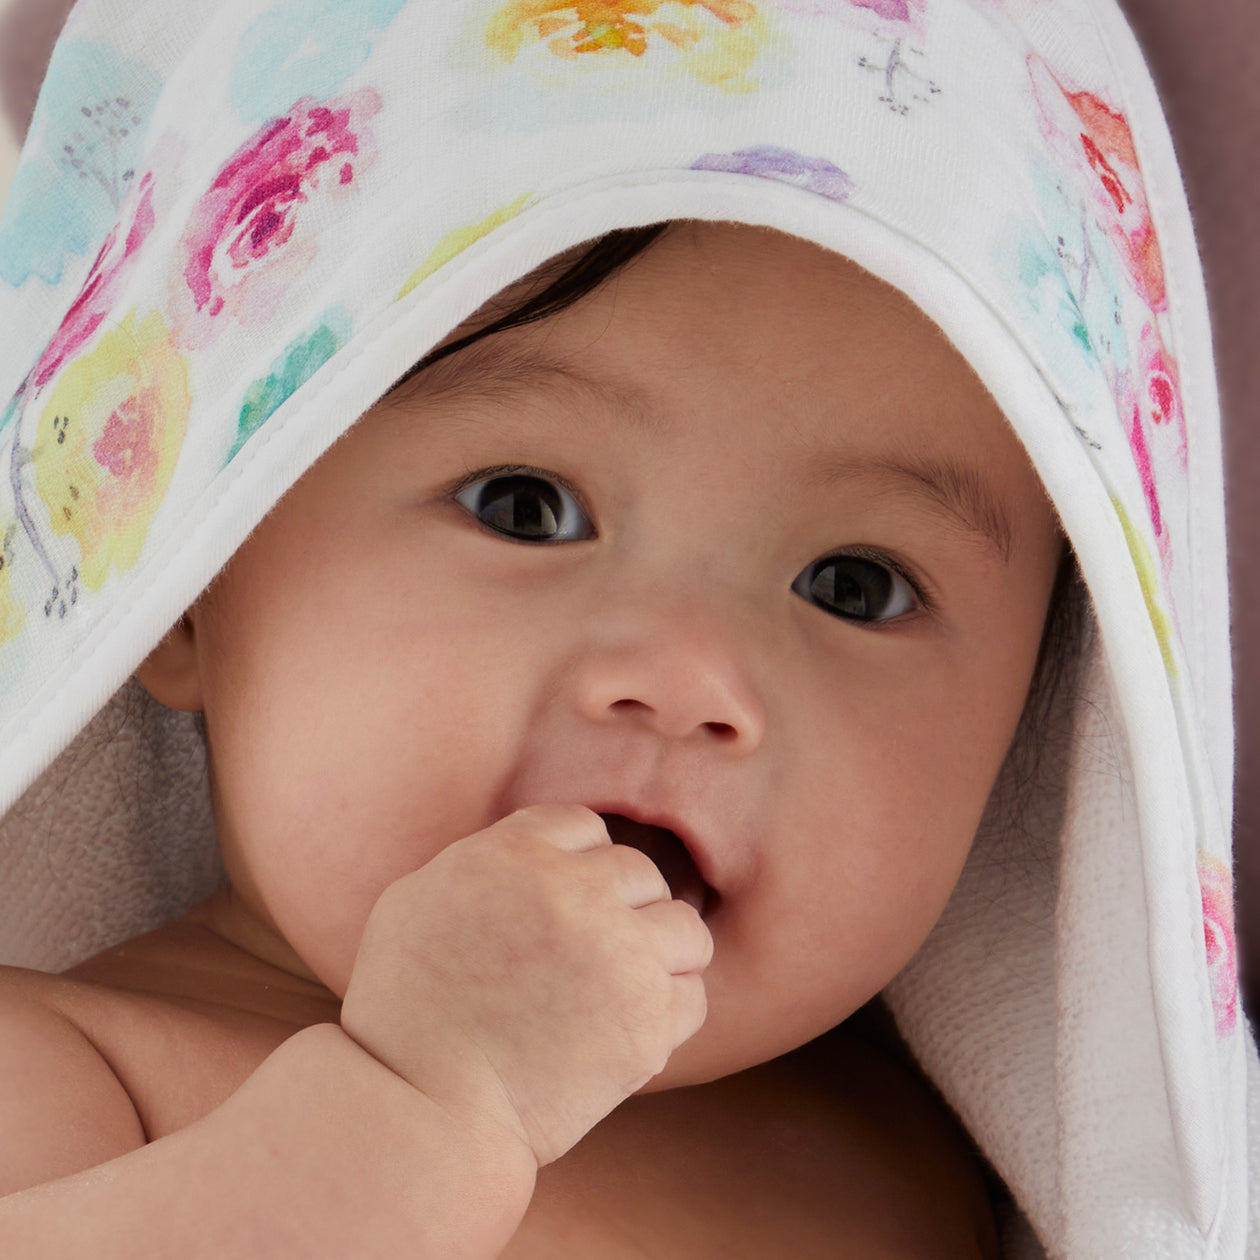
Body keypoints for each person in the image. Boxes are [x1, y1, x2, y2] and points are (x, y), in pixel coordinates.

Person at [0, 0, 1252, 1255]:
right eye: (528, 509)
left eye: (855, 585)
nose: (689, 678)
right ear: (190, 581)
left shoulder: (919, 1167)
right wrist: (421, 1108)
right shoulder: (75, 1068)